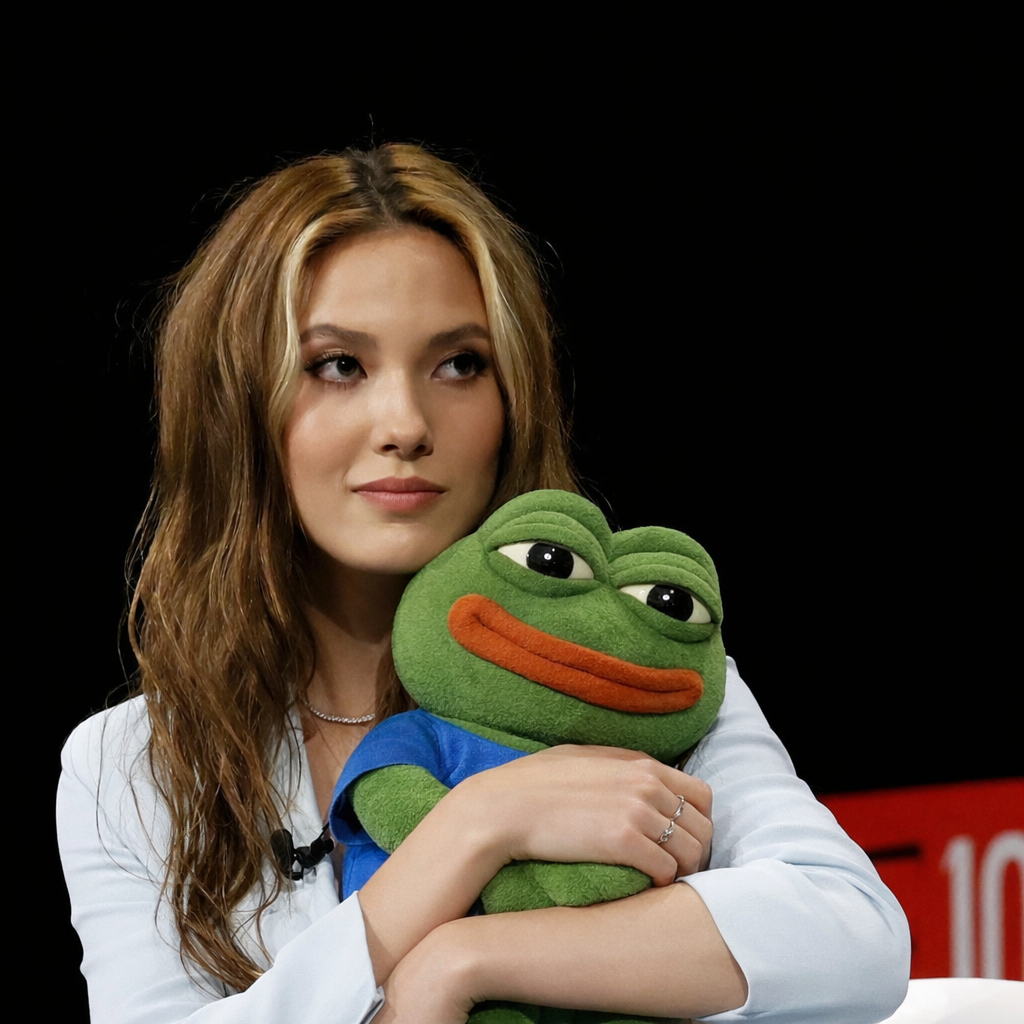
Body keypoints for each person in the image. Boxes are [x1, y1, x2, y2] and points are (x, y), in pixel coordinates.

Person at [57, 144, 910, 1024]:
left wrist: (461, 963)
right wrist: (476, 828)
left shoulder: (640, 676)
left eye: (459, 364)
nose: (405, 424)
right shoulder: (128, 764)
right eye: (338, 365)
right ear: (236, 405)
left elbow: (852, 934)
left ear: (513, 399)